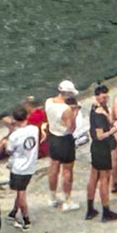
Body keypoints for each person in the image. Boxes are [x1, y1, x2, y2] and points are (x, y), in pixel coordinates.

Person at [82, 83, 117, 221]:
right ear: (97, 97)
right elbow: (100, 135)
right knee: (104, 179)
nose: (105, 100)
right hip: (102, 149)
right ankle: (106, 211)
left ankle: (90, 208)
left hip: (95, 149)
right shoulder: (99, 115)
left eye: (106, 97)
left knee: (93, 177)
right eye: (103, 97)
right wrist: (113, 131)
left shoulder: (95, 108)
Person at [0, 106, 39, 230]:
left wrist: (11, 130)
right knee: (21, 190)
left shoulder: (15, 136)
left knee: (21, 193)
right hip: (31, 165)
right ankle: (14, 211)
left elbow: (9, 150)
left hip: (19, 167)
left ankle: (26, 219)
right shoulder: (34, 129)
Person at [45, 81, 81, 212]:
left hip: (53, 137)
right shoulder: (66, 110)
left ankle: (52, 196)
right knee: (67, 171)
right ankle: (67, 200)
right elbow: (71, 128)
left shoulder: (49, 102)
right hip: (64, 139)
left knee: (53, 167)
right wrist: (75, 113)